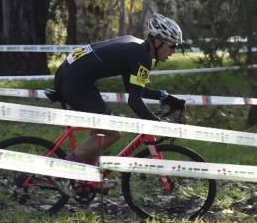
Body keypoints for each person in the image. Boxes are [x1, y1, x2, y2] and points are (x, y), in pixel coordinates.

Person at [49, 13, 187, 171]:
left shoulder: (134, 46)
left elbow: (133, 89)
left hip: (69, 75)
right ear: (157, 41)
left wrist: (164, 97)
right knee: (113, 134)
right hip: (75, 82)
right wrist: (157, 124)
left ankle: (85, 177)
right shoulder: (142, 57)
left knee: (101, 129)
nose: (174, 51)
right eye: (172, 46)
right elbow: (134, 101)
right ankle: (62, 172)